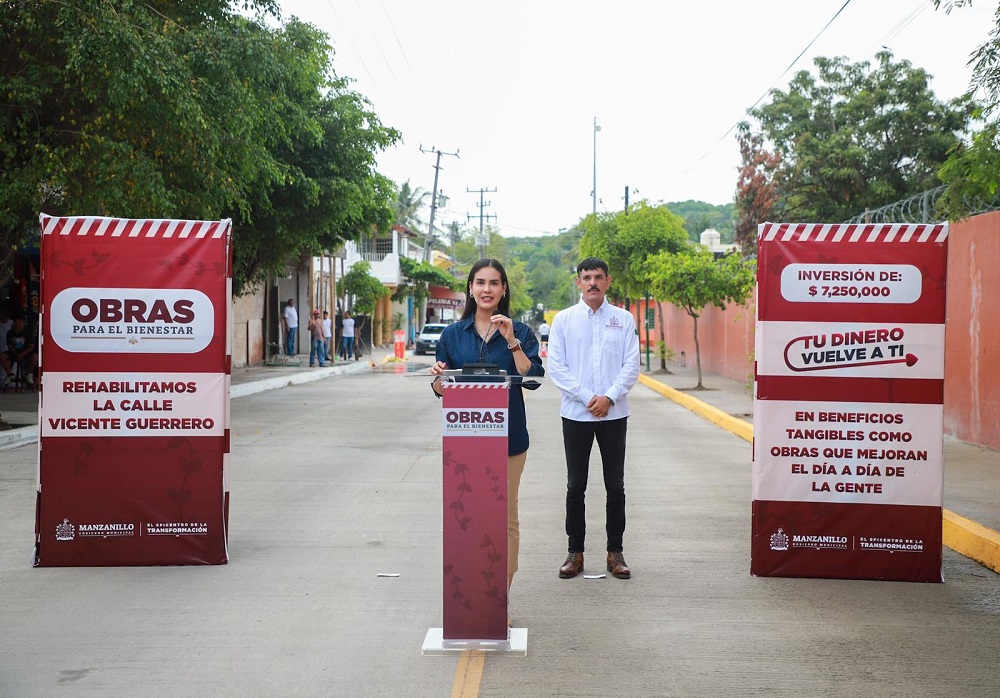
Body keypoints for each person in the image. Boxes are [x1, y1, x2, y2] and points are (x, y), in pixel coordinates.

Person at [429, 258, 544, 619]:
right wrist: (438, 380)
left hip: (509, 440)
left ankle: (498, 598)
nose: (487, 289)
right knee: (469, 515)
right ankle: (470, 594)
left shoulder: (521, 332)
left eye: (494, 283)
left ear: (504, 289)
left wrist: (510, 341)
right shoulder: (452, 336)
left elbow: (531, 375)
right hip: (465, 443)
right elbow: (441, 390)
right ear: (470, 288)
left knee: (505, 517)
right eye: (480, 282)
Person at [547, 257, 640, 580]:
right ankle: (575, 552)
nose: (592, 282)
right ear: (578, 282)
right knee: (576, 486)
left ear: (608, 281)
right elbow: (556, 367)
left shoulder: (623, 319)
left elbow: (631, 364)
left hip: (614, 414)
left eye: (598, 277)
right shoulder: (564, 320)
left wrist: (609, 397)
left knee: (615, 486)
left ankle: (616, 553)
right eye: (586, 277)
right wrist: (588, 398)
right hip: (576, 414)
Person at [2, 314, 38, 389]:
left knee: (35, 357)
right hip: (14, 353)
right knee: (2, 356)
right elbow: (10, 346)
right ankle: (10, 374)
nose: (18, 324)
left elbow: (31, 347)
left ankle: (29, 374)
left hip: (26, 353)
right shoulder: (10, 333)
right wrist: (16, 354)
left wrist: (22, 354)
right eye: (17, 322)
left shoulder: (28, 332)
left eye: (20, 322)